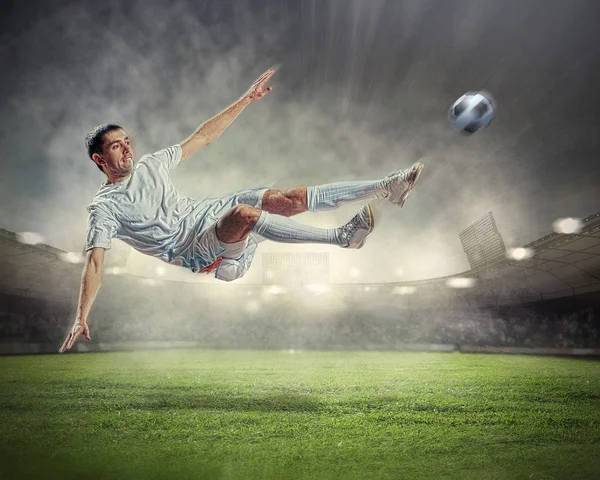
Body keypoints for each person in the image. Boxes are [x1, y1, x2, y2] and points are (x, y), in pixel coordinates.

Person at [59, 65, 424, 353]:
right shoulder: (104, 208)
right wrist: (81, 317)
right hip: (191, 249)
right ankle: (341, 238)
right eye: (116, 147)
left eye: (127, 141)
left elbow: (202, 136)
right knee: (246, 218)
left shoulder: (152, 165)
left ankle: (386, 188)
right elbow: (94, 263)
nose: (127, 149)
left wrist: (246, 99)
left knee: (287, 199)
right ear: (99, 158)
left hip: (209, 212)